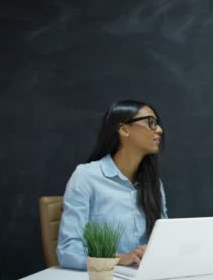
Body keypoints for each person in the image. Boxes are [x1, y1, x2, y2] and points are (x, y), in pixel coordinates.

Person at [57, 100, 167, 270]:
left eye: (157, 123)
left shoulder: (153, 183)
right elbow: (68, 251)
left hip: (144, 279)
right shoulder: (86, 177)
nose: (159, 129)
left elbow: (163, 240)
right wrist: (119, 258)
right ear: (124, 129)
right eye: (150, 123)